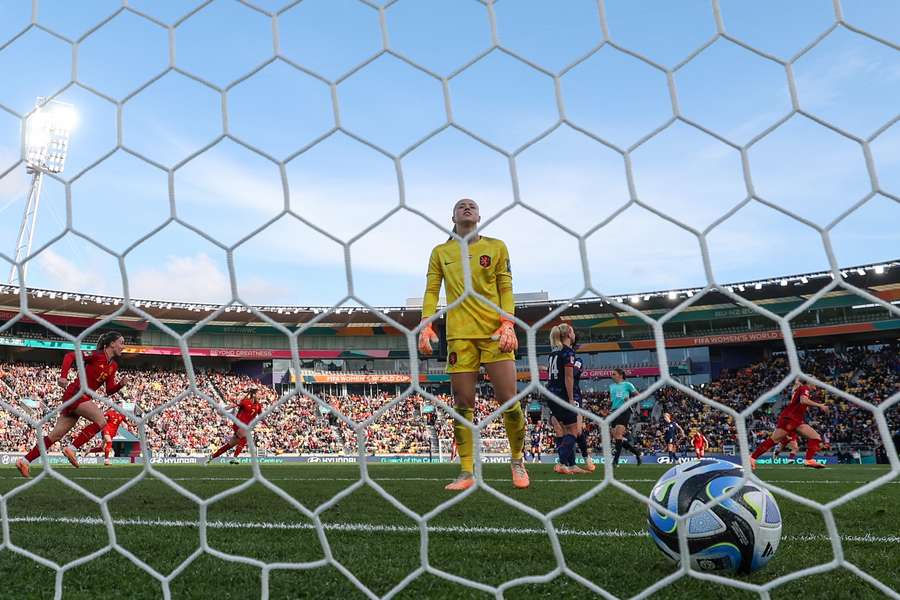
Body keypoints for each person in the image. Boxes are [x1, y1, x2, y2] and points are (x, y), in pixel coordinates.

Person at [418, 198, 529, 491]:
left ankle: (517, 460)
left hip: (495, 333)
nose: (467, 208)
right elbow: (431, 290)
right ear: (452, 216)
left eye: (472, 205)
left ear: (480, 215)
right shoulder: (441, 252)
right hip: (459, 335)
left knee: (509, 399)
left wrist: (508, 323)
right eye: (460, 205)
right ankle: (467, 471)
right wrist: (426, 323)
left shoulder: (496, 247)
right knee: (463, 403)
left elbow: (506, 288)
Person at [16, 332, 127, 478]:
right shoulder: (96, 355)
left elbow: (108, 390)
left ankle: (24, 460)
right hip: (76, 393)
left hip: (81, 397)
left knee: (55, 435)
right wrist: (63, 376)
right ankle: (72, 448)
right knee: (101, 421)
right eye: (121, 342)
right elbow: (70, 356)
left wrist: (120, 385)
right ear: (112, 344)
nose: (123, 346)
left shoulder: (113, 365)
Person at [750, 379, 830, 470]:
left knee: (815, 437)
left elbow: (797, 393)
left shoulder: (802, 389)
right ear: (809, 382)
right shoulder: (805, 388)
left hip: (797, 420)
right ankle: (752, 457)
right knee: (774, 440)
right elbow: (803, 400)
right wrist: (820, 405)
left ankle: (809, 460)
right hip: (790, 418)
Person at [546, 324, 589, 475]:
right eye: (573, 330)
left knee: (564, 430)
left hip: (551, 394)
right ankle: (562, 463)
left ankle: (570, 465)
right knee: (574, 430)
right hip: (562, 396)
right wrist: (571, 399)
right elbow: (569, 377)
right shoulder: (568, 352)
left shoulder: (553, 353)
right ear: (569, 334)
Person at [206, 388, 264, 464]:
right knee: (246, 437)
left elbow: (261, 416)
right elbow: (233, 405)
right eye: (259, 394)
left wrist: (267, 424)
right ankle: (234, 457)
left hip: (245, 427)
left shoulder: (258, 406)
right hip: (238, 424)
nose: (260, 395)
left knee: (229, 445)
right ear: (254, 395)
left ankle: (211, 457)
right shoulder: (245, 402)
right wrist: (223, 410)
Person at [608, 369, 643, 466]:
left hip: (624, 410)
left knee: (618, 435)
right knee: (616, 437)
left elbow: (638, 396)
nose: (612, 376)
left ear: (620, 375)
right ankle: (636, 453)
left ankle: (615, 461)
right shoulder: (611, 386)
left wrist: (630, 399)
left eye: (614, 374)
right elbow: (612, 400)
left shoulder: (628, 385)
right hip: (614, 412)